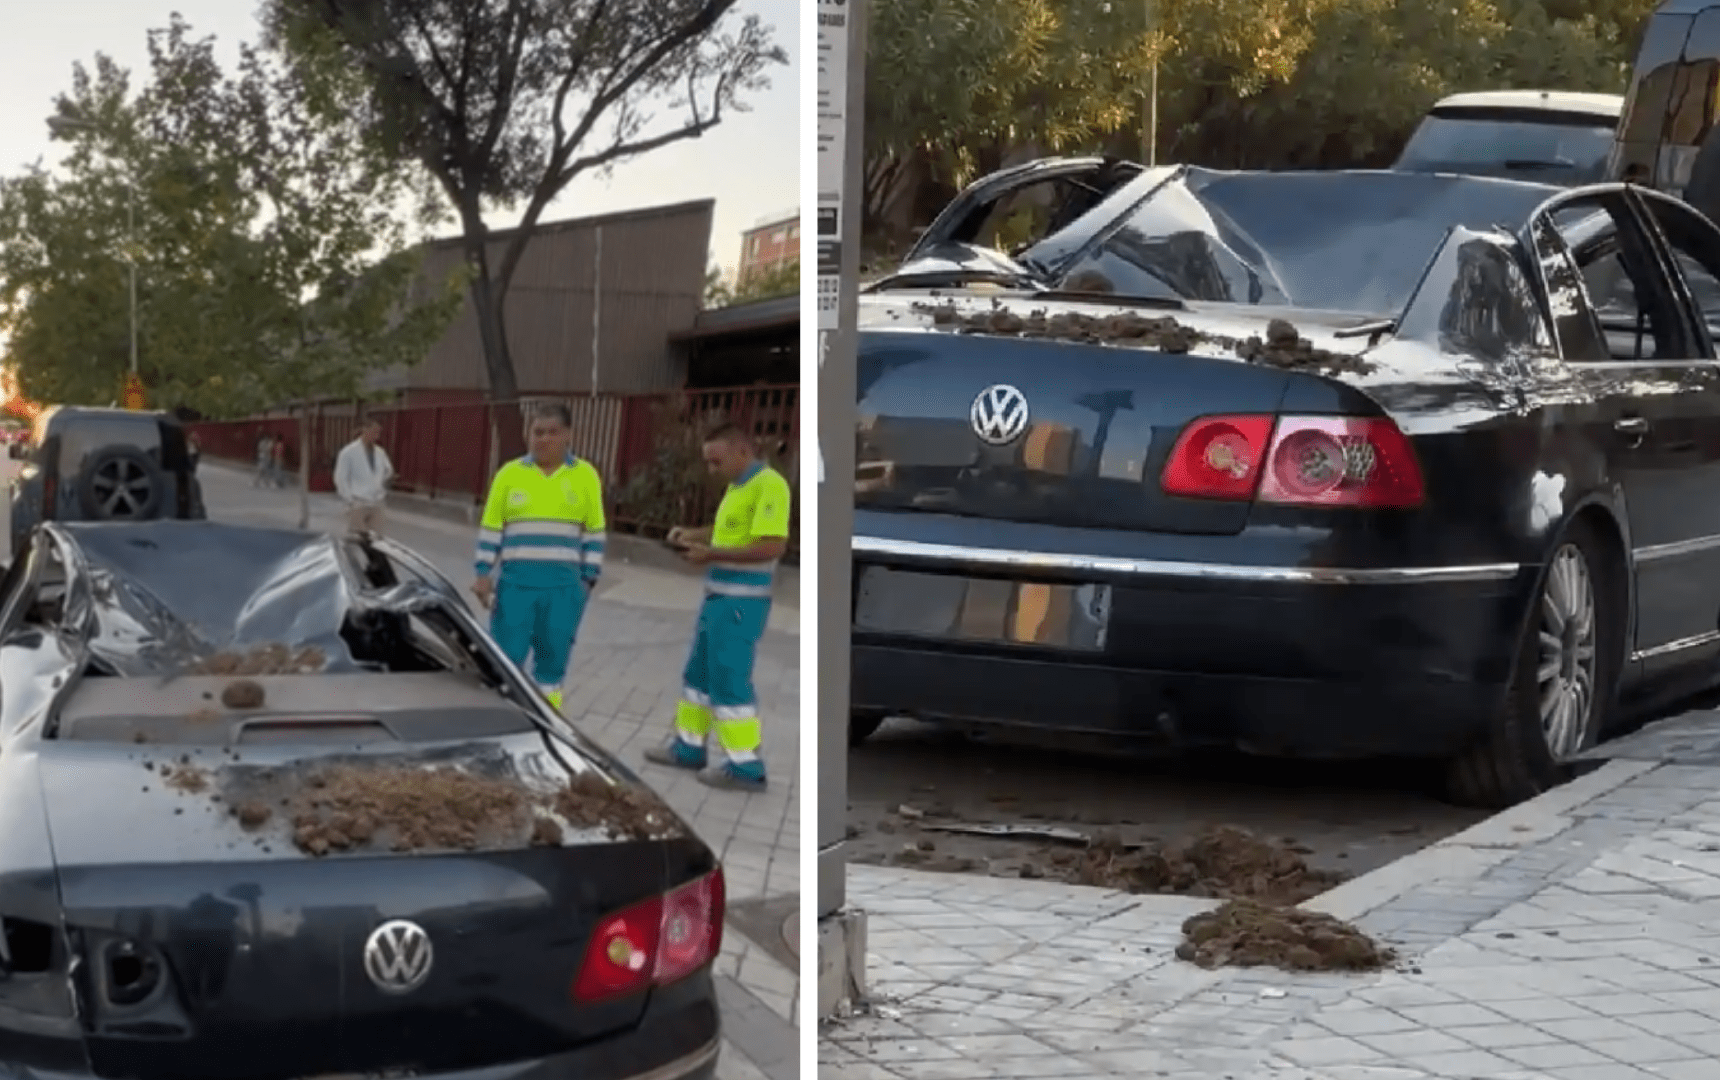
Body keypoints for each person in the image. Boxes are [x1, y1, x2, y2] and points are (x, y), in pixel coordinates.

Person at [646, 422, 791, 791]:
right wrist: (694, 535)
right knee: (698, 675)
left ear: (742, 451)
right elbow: (729, 530)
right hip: (719, 597)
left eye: (716, 462)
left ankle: (745, 766)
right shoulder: (739, 486)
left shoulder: (769, 485)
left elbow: (772, 544)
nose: (712, 470)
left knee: (729, 679)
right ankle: (689, 747)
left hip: (742, 602)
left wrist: (710, 553)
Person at [471, 401, 605, 712]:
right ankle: (504, 722)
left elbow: (594, 532)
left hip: (563, 590)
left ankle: (546, 726)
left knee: (552, 664)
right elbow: (492, 528)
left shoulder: (585, 476)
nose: (542, 439)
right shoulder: (510, 474)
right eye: (537, 432)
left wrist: (589, 580)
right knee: (506, 660)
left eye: (552, 433)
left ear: (568, 435)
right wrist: (482, 573)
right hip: (516, 587)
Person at [333, 417, 394, 535]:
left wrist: (381, 483)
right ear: (364, 430)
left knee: (377, 540)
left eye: (378, 432)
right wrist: (349, 500)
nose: (377, 436)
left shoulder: (380, 452)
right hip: (358, 502)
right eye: (374, 432)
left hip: (376, 502)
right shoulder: (348, 452)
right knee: (357, 538)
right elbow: (340, 477)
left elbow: (388, 470)